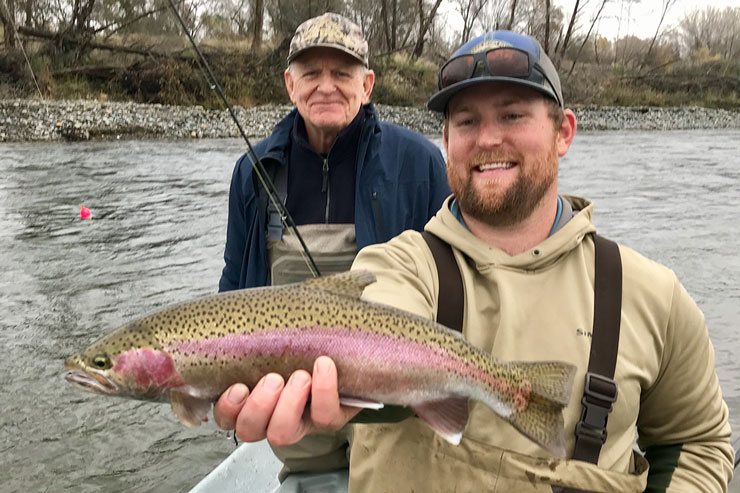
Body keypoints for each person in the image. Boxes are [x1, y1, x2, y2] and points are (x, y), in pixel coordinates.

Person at [215, 30, 735, 491]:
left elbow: (701, 443)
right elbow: (377, 312)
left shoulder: (655, 295)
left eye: (512, 114)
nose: (488, 138)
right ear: (446, 142)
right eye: (466, 121)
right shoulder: (398, 263)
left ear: (564, 132)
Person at [216, 11, 450, 485]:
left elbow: (453, 277)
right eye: (311, 72)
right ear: (289, 83)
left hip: (395, 405)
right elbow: (233, 286)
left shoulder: (420, 162)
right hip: (293, 402)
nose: (326, 85)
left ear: (367, 86)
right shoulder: (254, 171)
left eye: (342, 72)